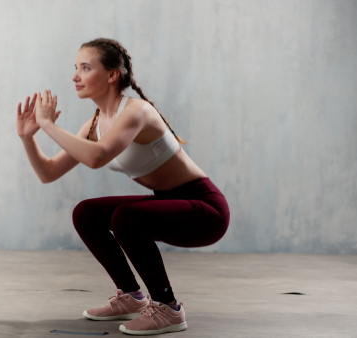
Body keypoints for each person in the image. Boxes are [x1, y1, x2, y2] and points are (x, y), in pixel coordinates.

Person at [16, 38, 230, 336]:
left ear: (112, 75)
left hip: (206, 211)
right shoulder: (94, 125)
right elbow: (49, 172)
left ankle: (169, 308)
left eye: (86, 68)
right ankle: (131, 297)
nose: (75, 76)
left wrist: (49, 125)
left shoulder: (136, 111)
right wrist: (29, 136)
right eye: (75, 68)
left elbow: (97, 157)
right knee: (86, 212)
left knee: (126, 217)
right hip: (168, 203)